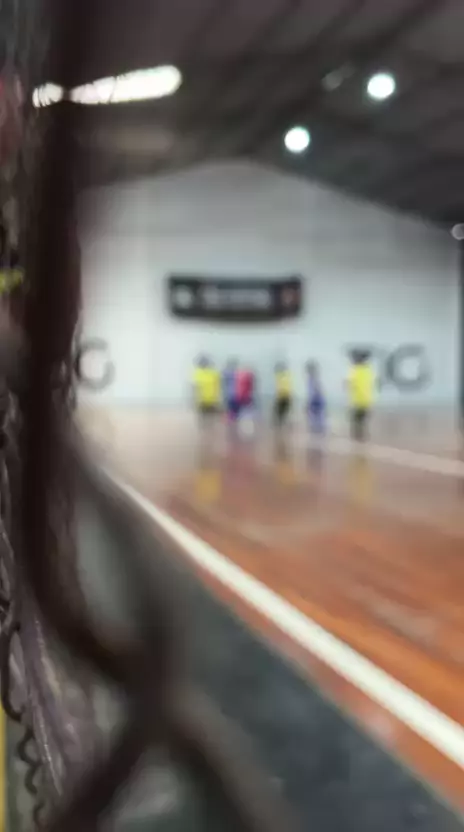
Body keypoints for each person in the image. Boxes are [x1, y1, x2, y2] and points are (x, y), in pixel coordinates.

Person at [346, 350, 376, 441]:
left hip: (357, 400)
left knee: (356, 420)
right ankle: (362, 435)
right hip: (367, 399)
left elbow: (350, 384)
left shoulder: (354, 370)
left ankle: (357, 436)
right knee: (362, 419)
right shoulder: (368, 370)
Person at [192, 355, 221, 423]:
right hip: (204, 400)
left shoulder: (212, 373)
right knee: (205, 418)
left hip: (209, 399)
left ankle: (207, 426)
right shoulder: (198, 373)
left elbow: (217, 386)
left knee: (209, 418)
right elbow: (194, 387)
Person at [306, 361, 326, 434]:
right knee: (317, 416)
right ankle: (318, 429)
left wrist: (310, 402)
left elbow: (316, 390)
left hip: (316, 400)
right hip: (316, 400)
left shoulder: (313, 379)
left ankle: (318, 429)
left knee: (316, 415)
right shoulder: (312, 379)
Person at [273, 362, 292, 427]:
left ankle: (281, 425)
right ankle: (283, 425)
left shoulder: (281, 376)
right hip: (285, 397)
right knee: (282, 413)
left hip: (282, 398)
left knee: (280, 413)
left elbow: (281, 389)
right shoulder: (287, 376)